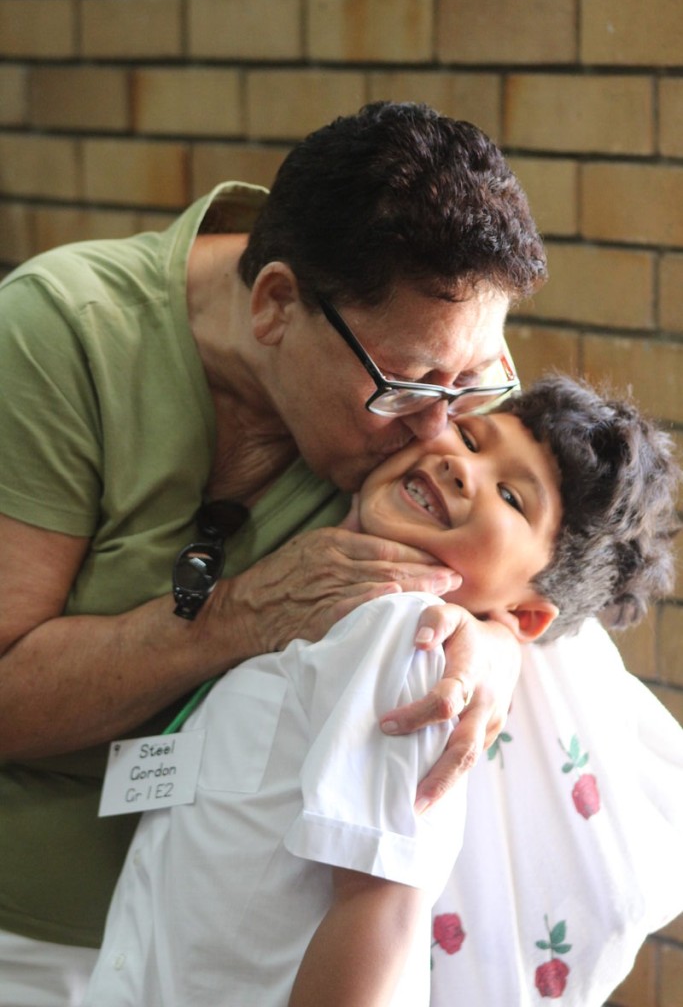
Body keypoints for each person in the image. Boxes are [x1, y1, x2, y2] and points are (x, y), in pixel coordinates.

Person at [0, 101, 547, 1002]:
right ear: (276, 304)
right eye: (408, 384)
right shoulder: (63, 333)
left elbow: (532, 561)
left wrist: (492, 649)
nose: (439, 432)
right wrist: (238, 617)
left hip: (243, 957)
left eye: (472, 383)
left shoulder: (429, 348)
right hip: (30, 934)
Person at [83, 375, 681, 1007]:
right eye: (470, 438)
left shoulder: (407, 637)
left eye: (511, 497)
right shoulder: (335, 613)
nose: (462, 468)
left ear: (523, 615)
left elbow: (382, 910)